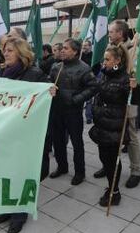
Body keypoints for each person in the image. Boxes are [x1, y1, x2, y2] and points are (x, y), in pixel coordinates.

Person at [0, 37, 55, 233]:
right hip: (5, 131)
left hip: (25, 134)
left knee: (20, 173)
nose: (6, 53)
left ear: (20, 52)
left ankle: (19, 215)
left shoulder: (34, 74)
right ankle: (6, 209)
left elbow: (46, 98)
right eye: (4, 50)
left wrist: (51, 92)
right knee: (5, 172)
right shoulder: (1, 72)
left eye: (10, 50)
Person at [95, 20, 140, 189]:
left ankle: (135, 171)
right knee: (109, 137)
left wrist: (133, 83)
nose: (109, 34)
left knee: (129, 133)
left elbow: (139, 75)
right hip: (111, 100)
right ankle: (109, 167)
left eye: (112, 31)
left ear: (121, 33)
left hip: (127, 99)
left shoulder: (133, 48)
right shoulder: (109, 49)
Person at [49, 38, 99, 185]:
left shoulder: (84, 68)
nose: (62, 50)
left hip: (73, 112)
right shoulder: (56, 67)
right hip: (57, 110)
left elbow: (93, 87)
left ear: (75, 51)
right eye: (62, 48)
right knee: (58, 141)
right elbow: (48, 83)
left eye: (66, 48)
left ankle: (80, 172)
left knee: (77, 143)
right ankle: (62, 167)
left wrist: (75, 99)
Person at [89, 44, 130, 206]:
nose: (103, 62)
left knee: (112, 161)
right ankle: (111, 184)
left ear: (117, 60)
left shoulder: (125, 78)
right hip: (102, 124)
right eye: (104, 59)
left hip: (114, 126)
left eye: (107, 59)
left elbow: (135, 99)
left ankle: (114, 192)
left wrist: (136, 87)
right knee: (104, 158)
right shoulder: (105, 75)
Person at [81, 39, 94, 124]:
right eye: (83, 46)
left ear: (90, 46)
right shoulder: (80, 56)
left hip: (90, 79)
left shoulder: (93, 56)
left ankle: (88, 116)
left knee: (89, 99)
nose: (84, 47)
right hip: (81, 79)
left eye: (85, 45)